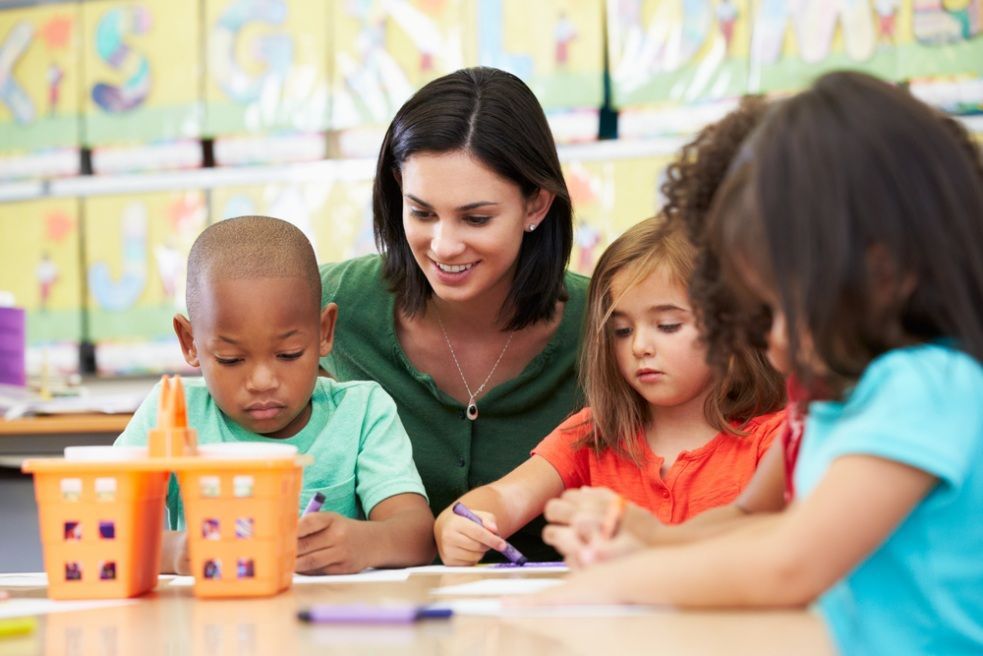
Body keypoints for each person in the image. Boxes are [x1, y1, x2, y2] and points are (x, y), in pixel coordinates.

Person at [525, 71, 983, 655]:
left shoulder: (926, 385)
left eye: (780, 308)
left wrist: (615, 585)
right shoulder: (835, 397)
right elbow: (755, 518)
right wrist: (654, 539)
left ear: (883, 270)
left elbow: (792, 561)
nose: (771, 343)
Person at [319, 67, 588, 561]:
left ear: (537, 205)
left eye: (476, 218)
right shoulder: (331, 302)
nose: (443, 245)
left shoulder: (609, 322)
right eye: (421, 213)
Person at [434, 214, 785, 565]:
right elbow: (504, 498)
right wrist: (458, 525)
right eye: (621, 331)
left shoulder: (776, 439)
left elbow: (780, 547)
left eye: (667, 325)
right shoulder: (594, 433)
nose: (640, 347)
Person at [116, 216, 435, 575]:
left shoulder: (362, 412)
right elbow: (101, 529)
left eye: (288, 354)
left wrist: (364, 543)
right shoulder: (171, 413)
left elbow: (419, 536)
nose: (263, 381)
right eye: (231, 359)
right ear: (190, 342)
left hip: (332, 624)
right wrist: (173, 552)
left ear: (324, 332)